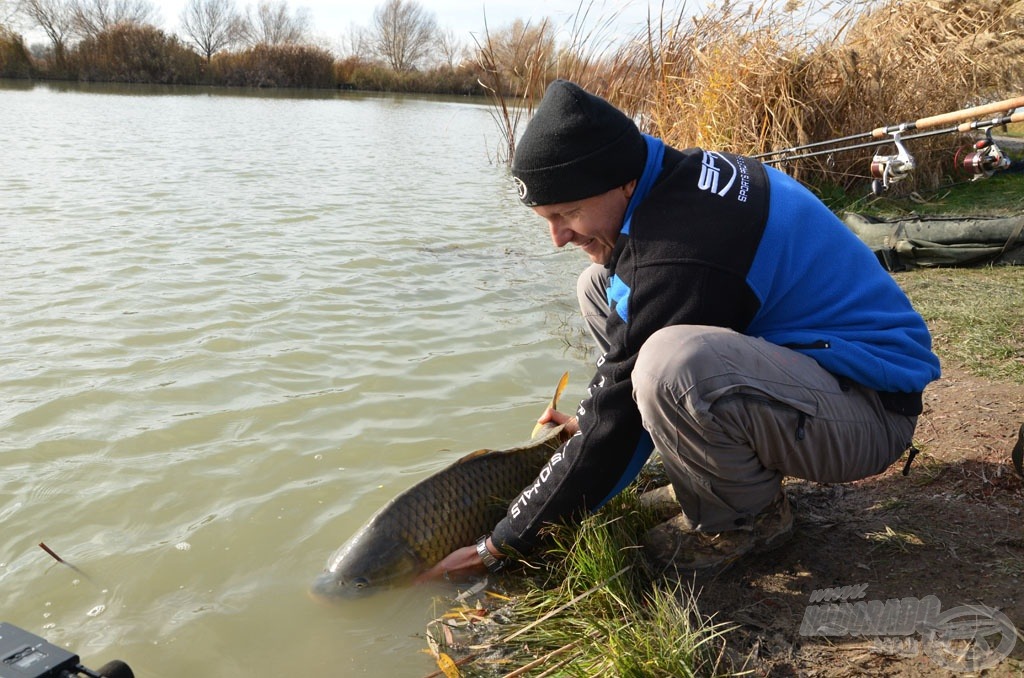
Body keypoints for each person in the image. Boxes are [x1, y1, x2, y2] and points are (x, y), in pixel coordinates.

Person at [418, 79, 941, 581]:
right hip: (820, 375)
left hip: (870, 412)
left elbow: (620, 416)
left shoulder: (682, 250)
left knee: (669, 363)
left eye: (569, 213)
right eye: (545, 217)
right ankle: (712, 475)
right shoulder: (671, 179)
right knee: (598, 285)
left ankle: (745, 519)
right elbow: (621, 384)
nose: (557, 237)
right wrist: (591, 422)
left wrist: (500, 545)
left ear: (623, 181)